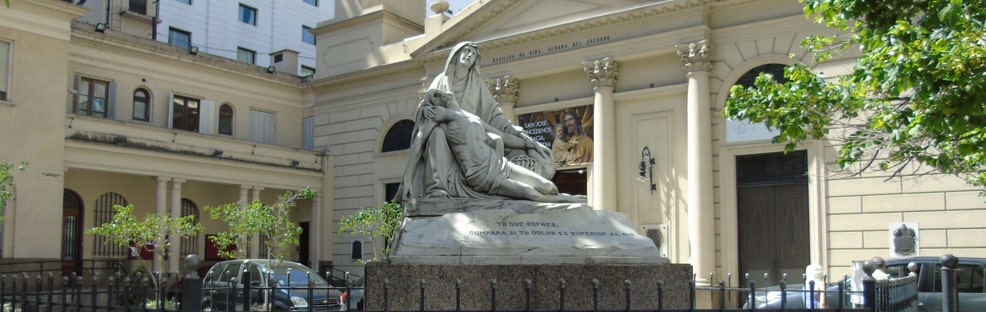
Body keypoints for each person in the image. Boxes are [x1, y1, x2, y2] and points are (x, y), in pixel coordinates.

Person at [400, 42, 555, 201]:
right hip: (476, 166)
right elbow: (423, 125)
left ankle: (570, 201)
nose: (469, 56)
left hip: (492, 158)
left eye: (473, 54)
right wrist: (425, 109)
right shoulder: (441, 85)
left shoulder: (475, 100)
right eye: (466, 51)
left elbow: (495, 119)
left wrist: (525, 139)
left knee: (547, 187)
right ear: (456, 54)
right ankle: (437, 187)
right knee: (437, 134)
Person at [404, 89, 583, 203]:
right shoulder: (441, 115)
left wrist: (531, 143)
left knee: (548, 186)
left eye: (439, 91)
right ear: (433, 106)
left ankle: (562, 198)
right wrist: (407, 180)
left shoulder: (470, 117)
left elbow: (502, 136)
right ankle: (571, 201)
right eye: (434, 96)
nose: (439, 94)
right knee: (531, 193)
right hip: (480, 174)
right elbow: (419, 143)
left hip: (497, 163)